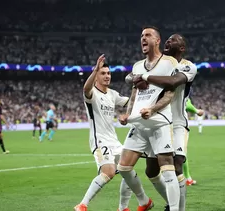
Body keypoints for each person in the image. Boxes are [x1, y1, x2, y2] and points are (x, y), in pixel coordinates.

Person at [117, 26, 180, 211]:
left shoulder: (169, 62)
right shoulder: (137, 66)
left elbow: (170, 93)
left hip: (159, 121)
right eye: (142, 36)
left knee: (167, 168)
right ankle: (145, 200)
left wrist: (152, 109)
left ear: (157, 40)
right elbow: (134, 93)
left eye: (148, 35)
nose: (143, 39)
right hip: (139, 123)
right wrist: (128, 113)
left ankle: (175, 209)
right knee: (123, 168)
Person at [133, 33, 197, 211]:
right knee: (151, 170)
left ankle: (178, 209)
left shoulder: (188, 66)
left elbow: (173, 81)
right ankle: (171, 202)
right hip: (158, 122)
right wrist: (135, 78)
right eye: (167, 39)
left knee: (176, 166)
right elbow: (133, 76)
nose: (168, 41)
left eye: (173, 40)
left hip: (177, 124)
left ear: (182, 48)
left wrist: (145, 77)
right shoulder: (159, 64)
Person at [74, 55, 132, 211]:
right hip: (99, 141)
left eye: (108, 73)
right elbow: (85, 88)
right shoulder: (92, 93)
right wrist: (95, 69)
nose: (107, 76)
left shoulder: (113, 94)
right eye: (103, 73)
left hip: (114, 141)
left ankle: (123, 208)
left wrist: (141, 89)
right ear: (96, 76)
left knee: (129, 169)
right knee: (109, 172)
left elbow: (130, 101)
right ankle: (82, 205)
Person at [184, 98, 204, 186]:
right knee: (182, 153)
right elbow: (187, 104)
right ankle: (187, 178)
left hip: (166, 125)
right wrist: (197, 111)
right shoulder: (182, 89)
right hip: (179, 126)